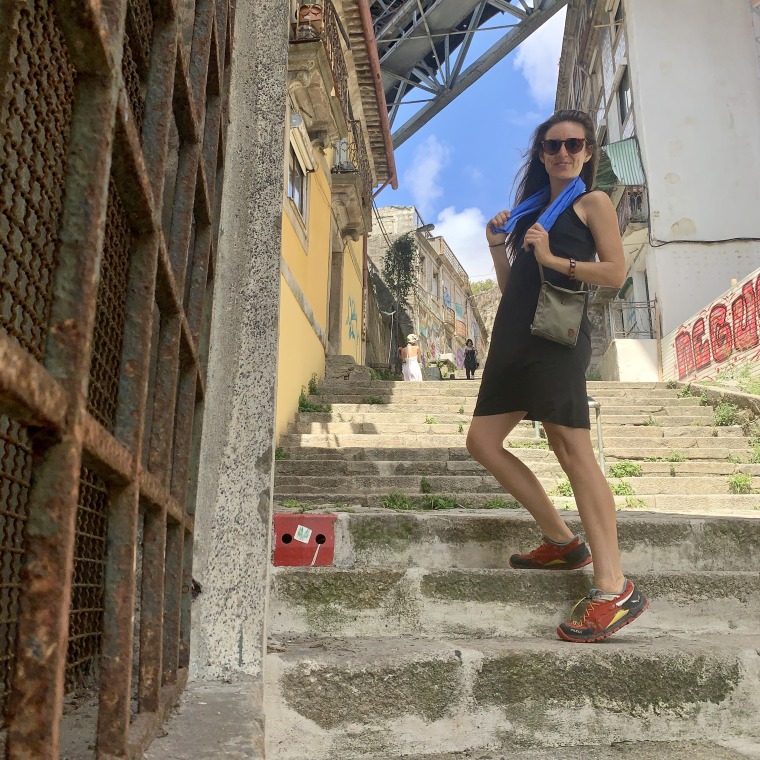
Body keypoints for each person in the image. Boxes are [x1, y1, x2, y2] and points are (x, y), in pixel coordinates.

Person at [465, 110, 649, 643]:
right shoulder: (529, 212)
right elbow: (511, 286)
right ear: (541, 154)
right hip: (513, 339)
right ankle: (562, 541)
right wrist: (497, 242)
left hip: (556, 339)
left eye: (573, 144)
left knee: (572, 449)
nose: (563, 152)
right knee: (482, 441)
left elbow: (614, 272)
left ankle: (613, 587)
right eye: (552, 146)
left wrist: (555, 258)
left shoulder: (591, 204)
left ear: (588, 152)